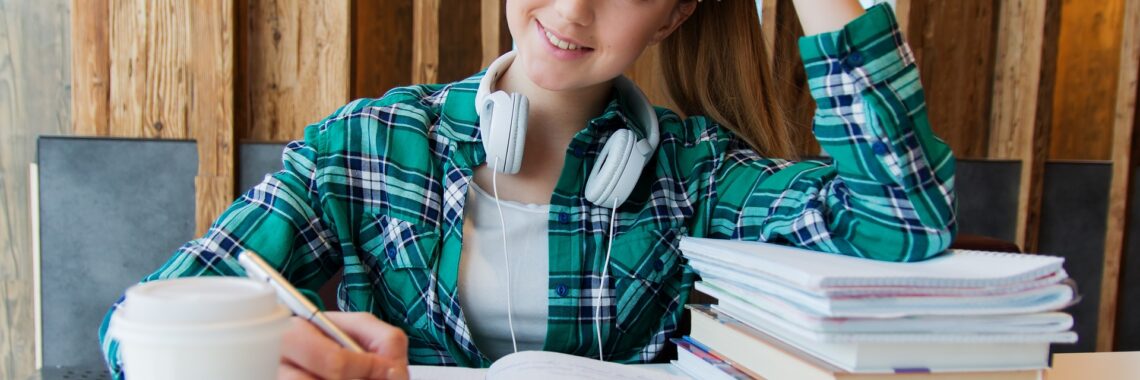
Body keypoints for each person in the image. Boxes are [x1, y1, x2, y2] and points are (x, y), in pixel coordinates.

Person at [99, 0, 956, 379]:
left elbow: (898, 223)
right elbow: (134, 329)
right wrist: (253, 358)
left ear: (675, 12)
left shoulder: (700, 176)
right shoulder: (363, 147)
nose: (573, 11)